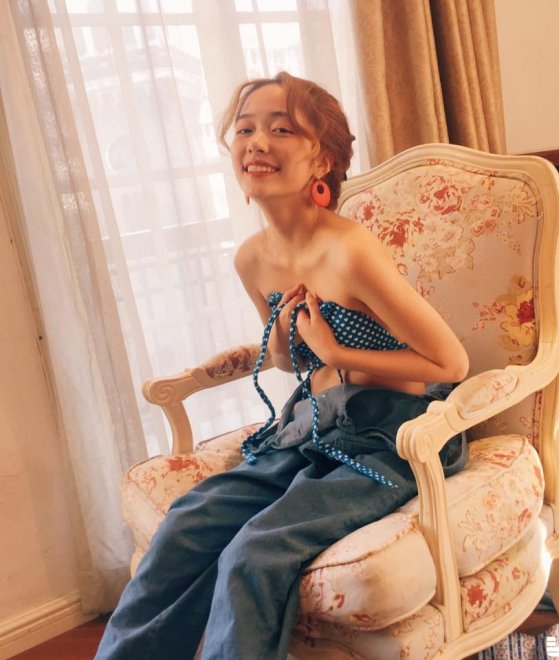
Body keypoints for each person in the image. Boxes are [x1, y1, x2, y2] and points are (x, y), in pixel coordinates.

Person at [95, 71, 469, 660]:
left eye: (281, 129)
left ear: (322, 159)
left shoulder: (350, 250)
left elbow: (449, 362)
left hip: (389, 435)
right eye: (245, 129)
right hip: (308, 426)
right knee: (187, 524)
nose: (257, 143)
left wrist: (336, 353)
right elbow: (288, 361)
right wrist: (282, 340)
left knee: (256, 551)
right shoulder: (251, 259)